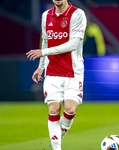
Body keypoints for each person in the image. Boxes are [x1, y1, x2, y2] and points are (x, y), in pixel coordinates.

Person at [26, 0, 87, 150]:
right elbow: (45, 41)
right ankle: (56, 148)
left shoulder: (77, 14)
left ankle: (55, 141)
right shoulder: (46, 15)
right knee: (53, 110)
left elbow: (73, 44)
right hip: (52, 71)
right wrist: (41, 67)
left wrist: (43, 53)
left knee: (70, 109)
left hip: (73, 71)